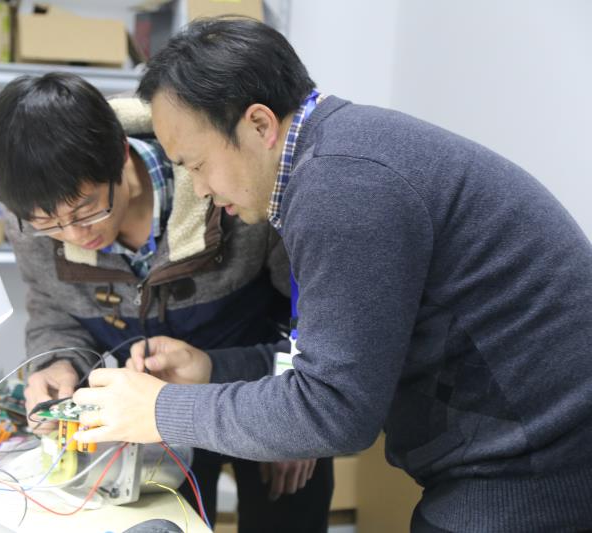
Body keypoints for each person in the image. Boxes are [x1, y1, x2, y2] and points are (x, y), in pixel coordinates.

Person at [71, 18, 592, 533]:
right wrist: (212, 368)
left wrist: (161, 411)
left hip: (535, 468)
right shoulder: (333, 160)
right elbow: (335, 357)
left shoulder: (342, 190)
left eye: (196, 164)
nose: (200, 189)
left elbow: (334, 412)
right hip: (522, 450)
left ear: (259, 125)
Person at [0, 72, 333, 532]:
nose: (73, 234)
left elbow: (316, 314)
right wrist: (57, 362)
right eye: (49, 223)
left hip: (263, 390)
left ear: (122, 157)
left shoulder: (228, 184)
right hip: (154, 426)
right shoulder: (33, 220)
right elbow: (53, 309)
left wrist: (297, 419)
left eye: (87, 209)